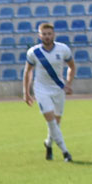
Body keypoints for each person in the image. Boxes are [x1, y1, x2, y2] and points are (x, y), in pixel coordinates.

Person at [23, 23, 75, 162]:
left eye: (49, 34)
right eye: (44, 34)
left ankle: (48, 144)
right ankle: (65, 152)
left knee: (56, 123)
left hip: (58, 89)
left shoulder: (63, 49)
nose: (47, 36)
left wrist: (68, 83)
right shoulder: (34, 52)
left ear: (53, 34)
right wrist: (26, 92)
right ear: (40, 36)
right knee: (51, 122)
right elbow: (28, 72)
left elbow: (72, 67)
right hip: (41, 90)